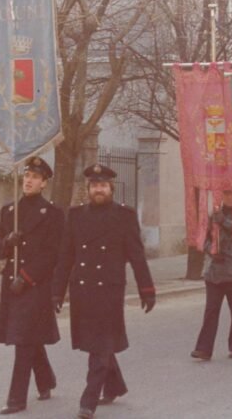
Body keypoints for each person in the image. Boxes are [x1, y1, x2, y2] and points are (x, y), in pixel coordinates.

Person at [52, 164, 155, 419]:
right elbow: (66, 256)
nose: (99, 189)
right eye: (94, 186)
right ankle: (115, 385)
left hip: (109, 290)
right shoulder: (75, 216)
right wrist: (57, 291)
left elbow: (137, 256)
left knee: (99, 343)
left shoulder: (124, 216)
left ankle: (88, 400)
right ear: (88, 189)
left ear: (111, 188)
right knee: (94, 343)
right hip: (82, 289)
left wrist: (147, 289)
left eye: (103, 185)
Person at [0, 157, 63, 415]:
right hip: (11, 283)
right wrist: (8, 242)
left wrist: (27, 276)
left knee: (22, 338)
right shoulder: (10, 211)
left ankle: (16, 399)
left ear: (44, 183)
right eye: (27, 176)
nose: (29, 180)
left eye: (35, 177)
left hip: (34, 285)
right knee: (28, 336)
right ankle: (46, 380)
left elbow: (52, 254)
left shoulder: (52, 214)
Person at [191, 190, 232, 360]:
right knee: (211, 311)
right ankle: (204, 349)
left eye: (231, 194)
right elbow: (204, 237)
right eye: (225, 194)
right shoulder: (214, 214)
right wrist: (211, 249)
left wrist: (224, 221)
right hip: (215, 270)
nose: (228, 197)